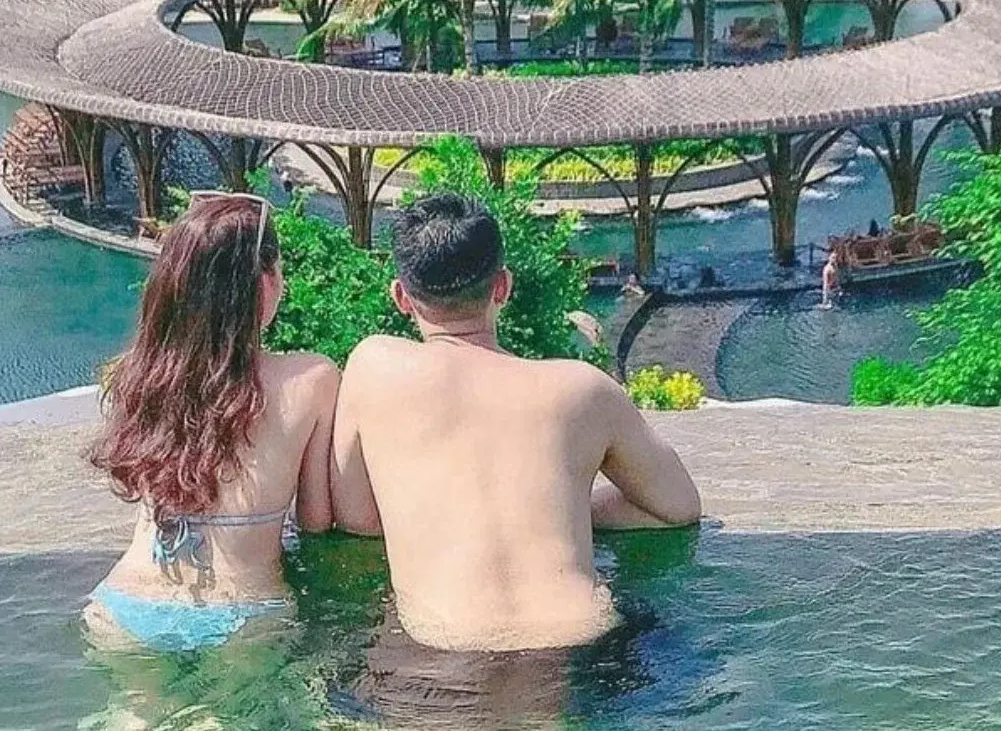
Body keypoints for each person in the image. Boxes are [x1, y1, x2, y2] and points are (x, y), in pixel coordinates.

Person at [331, 193, 702, 653]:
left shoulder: (374, 367)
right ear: (503, 287)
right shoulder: (584, 389)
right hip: (584, 643)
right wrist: (558, 507)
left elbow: (357, 519)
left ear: (401, 297)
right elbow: (678, 507)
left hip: (446, 648)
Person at [85, 192, 340, 651]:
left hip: (124, 602)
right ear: (263, 284)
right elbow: (316, 521)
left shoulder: (139, 374)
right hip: (240, 609)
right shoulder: (312, 379)